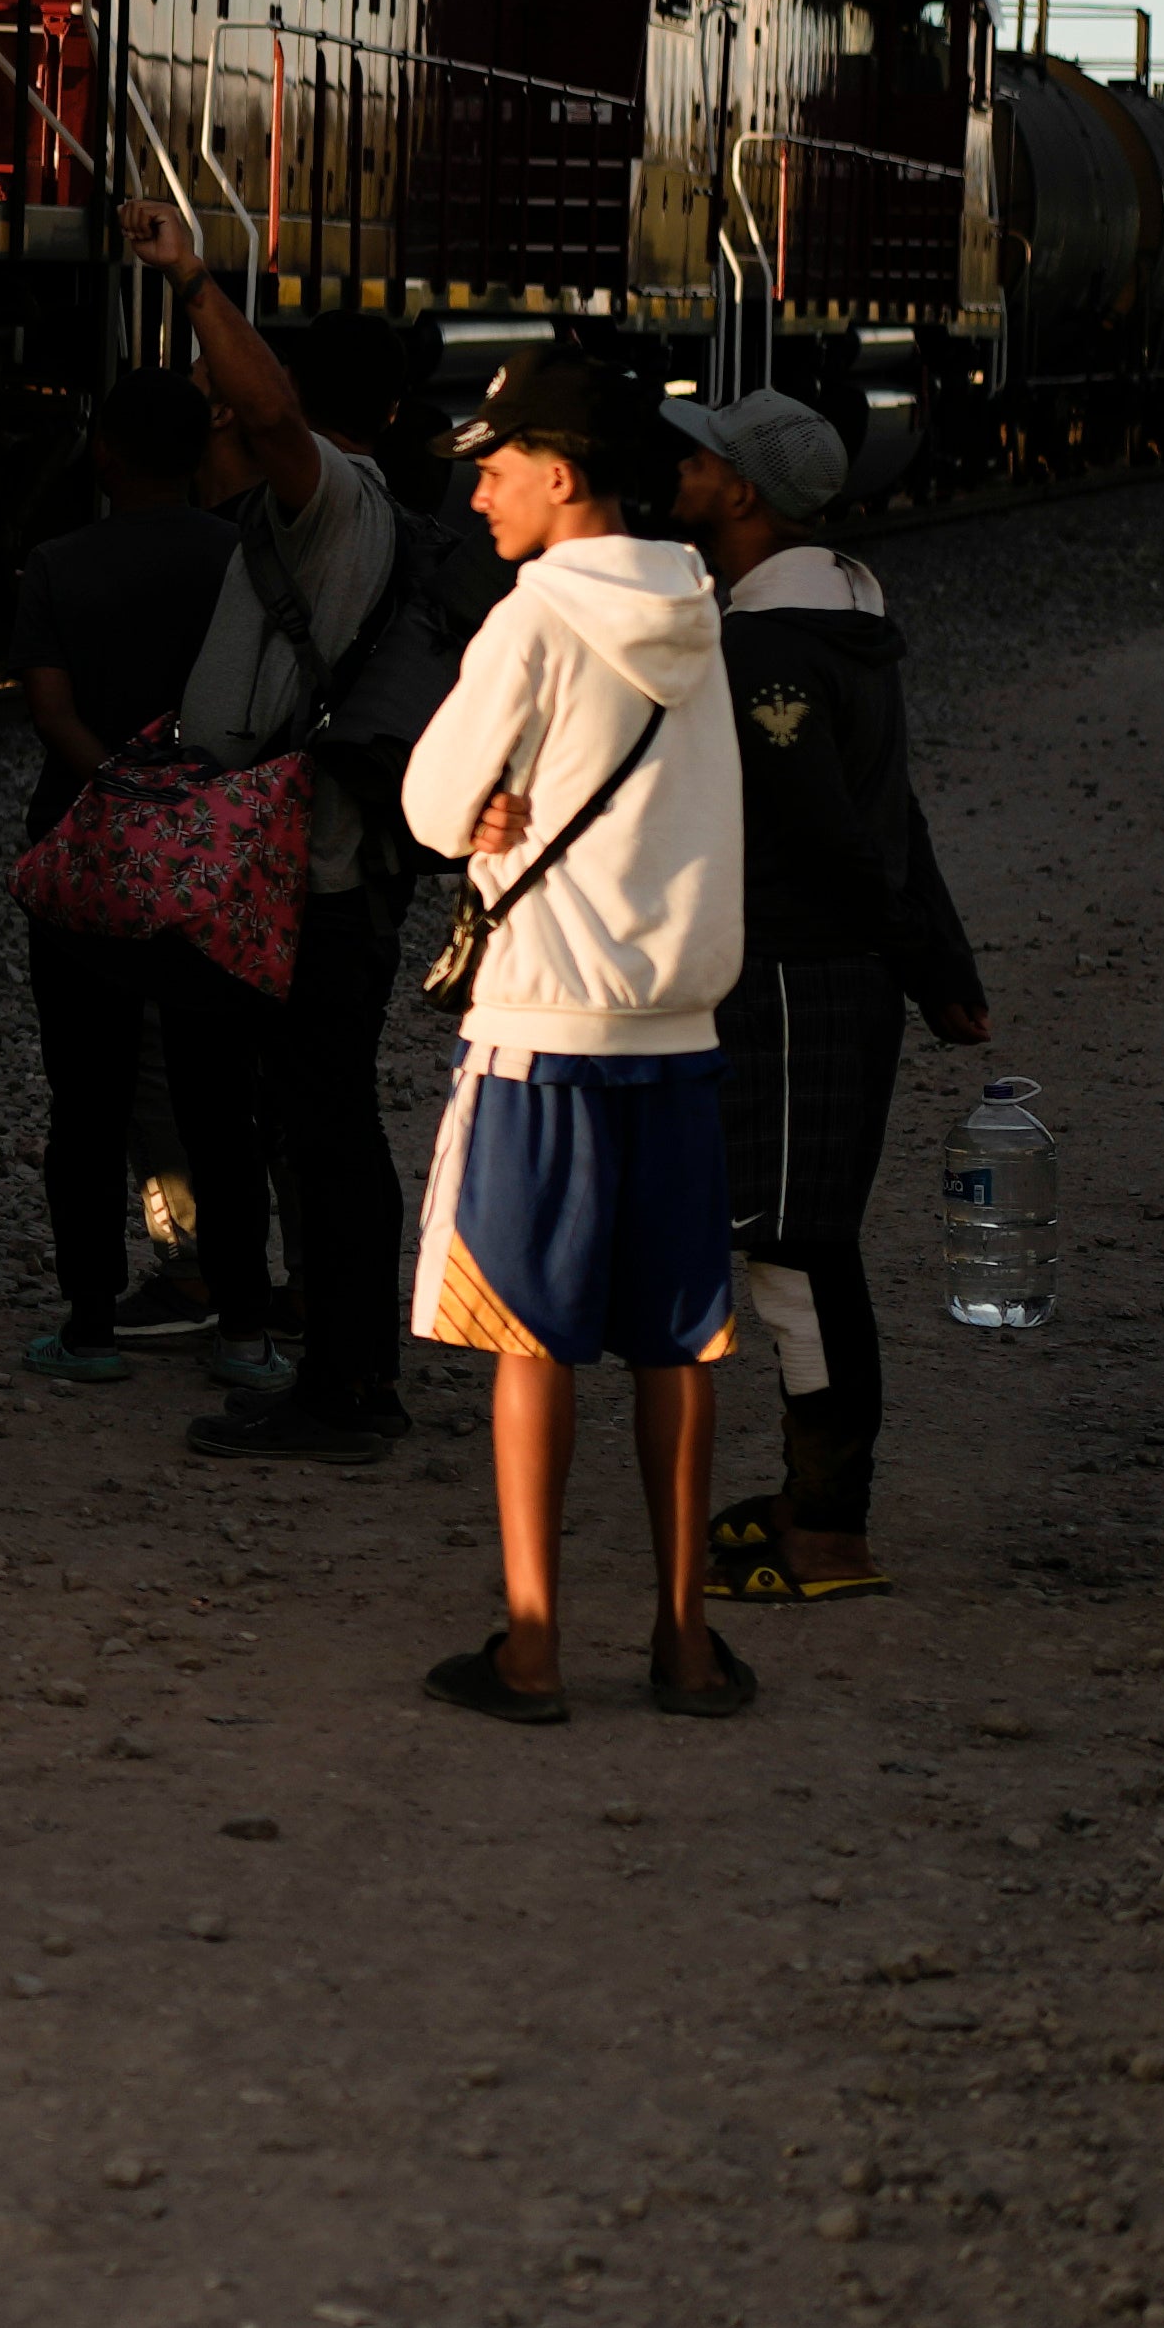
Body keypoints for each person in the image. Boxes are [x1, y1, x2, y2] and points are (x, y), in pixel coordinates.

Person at [393, 347, 756, 1727]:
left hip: (543, 1030)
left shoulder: (530, 617)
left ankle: (533, 1646)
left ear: (556, 474)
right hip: (676, 1035)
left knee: (528, 1337)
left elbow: (434, 797)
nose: (477, 495)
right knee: (676, 1341)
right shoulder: (696, 615)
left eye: (490, 470)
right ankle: (681, 1642)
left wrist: (480, 813)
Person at [673, 386, 994, 1606]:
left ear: (743, 493)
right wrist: (937, 967)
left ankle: (827, 1526)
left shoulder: (763, 648)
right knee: (791, 1249)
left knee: (797, 1258)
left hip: (797, 978)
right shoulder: (848, 619)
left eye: (700, 463)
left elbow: (831, 834)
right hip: (831, 974)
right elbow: (892, 812)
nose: (682, 475)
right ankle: (816, 1508)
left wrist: (917, 959)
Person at [126, 229, 433, 1472]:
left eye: (223, 419)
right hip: (299, 879)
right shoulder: (320, 513)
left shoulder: (333, 501)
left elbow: (267, 407)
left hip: (315, 882)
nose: (212, 433)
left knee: (327, 1129)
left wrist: (194, 283)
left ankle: (350, 1388)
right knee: (318, 1124)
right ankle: (335, 1370)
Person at [7, 368, 273, 1378]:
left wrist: (122, 787)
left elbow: (49, 708)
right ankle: (244, 1333)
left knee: (86, 1097)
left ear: (105, 454)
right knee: (219, 1097)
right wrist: (191, 799)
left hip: (85, 857)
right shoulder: (240, 560)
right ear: (199, 453)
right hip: (216, 857)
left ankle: (87, 1327)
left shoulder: (57, 563)